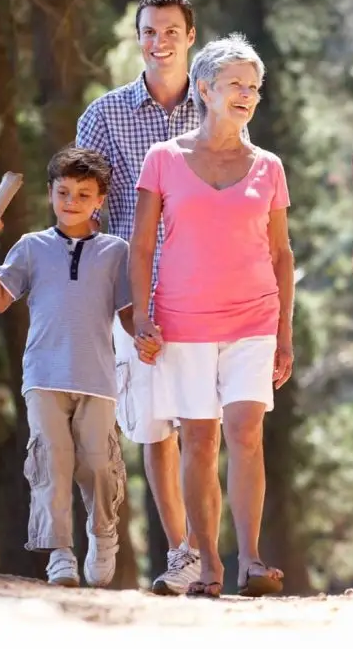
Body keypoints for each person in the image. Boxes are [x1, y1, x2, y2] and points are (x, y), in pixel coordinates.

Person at [131, 33, 295, 598]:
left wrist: (285, 334)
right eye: (236, 85)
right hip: (183, 321)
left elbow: (281, 254)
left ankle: (250, 561)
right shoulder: (164, 159)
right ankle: (207, 565)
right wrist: (143, 317)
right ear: (204, 88)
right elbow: (142, 247)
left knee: (246, 431)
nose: (248, 95)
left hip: (254, 318)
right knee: (200, 440)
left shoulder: (268, 166)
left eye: (254, 86)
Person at [76, 0, 204, 594]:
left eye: (171, 30)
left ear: (190, 37)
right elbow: (87, 216)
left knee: (207, 427)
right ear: (139, 39)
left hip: (209, 289)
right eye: (150, 31)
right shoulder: (102, 117)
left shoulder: (216, 106)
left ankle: (215, 555)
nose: (160, 41)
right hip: (136, 297)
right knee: (156, 431)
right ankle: (184, 555)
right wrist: (122, 305)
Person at [0, 147, 141, 587]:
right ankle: (59, 553)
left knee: (99, 462)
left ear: (99, 200)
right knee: (52, 460)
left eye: (83, 194)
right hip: (44, 376)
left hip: (98, 378)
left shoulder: (115, 252)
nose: (71, 201)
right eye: (63, 192)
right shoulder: (31, 248)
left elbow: (128, 315)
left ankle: (103, 534)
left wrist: (148, 331)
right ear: (50, 194)